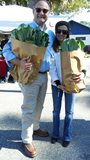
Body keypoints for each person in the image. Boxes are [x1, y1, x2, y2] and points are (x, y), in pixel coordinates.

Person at [3, 0, 54, 158]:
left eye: (45, 11)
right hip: (28, 76)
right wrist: (18, 62)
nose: (41, 13)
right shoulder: (23, 29)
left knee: (39, 106)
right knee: (28, 108)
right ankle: (26, 139)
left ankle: (36, 127)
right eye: (38, 9)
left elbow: (55, 53)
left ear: (49, 13)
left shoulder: (50, 33)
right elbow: (6, 49)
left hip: (44, 75)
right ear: (33, 11)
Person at [49, 21, 86, 147]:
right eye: (58, 31)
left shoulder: (75, 47)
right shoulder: (53, 49)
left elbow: (82, 65)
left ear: (68, 33)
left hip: (71, 84)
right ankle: (55, 134)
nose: (61, 34)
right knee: (56, 112)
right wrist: (58, 83)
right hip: (57, 86)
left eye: (64, 32)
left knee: (69, 113)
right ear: (56, 32)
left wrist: (82, 74)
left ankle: (67, 136)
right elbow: (52, 67)